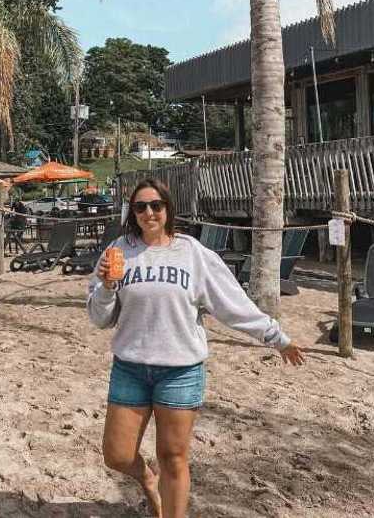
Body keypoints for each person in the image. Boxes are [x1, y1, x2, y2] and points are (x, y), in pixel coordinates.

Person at [87, 178, 305, 517]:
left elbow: (232, 304)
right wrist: (105, 286)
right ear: (133, 212)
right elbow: (101, 319)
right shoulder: (118, 251)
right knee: (116, 454)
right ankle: (147, 479)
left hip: (180, 371)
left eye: (156, 205)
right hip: (129, 367)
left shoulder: (193, 253)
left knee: (173, 457)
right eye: (140, 206)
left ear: (168, 209)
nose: (148, 212)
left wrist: (276, 337)